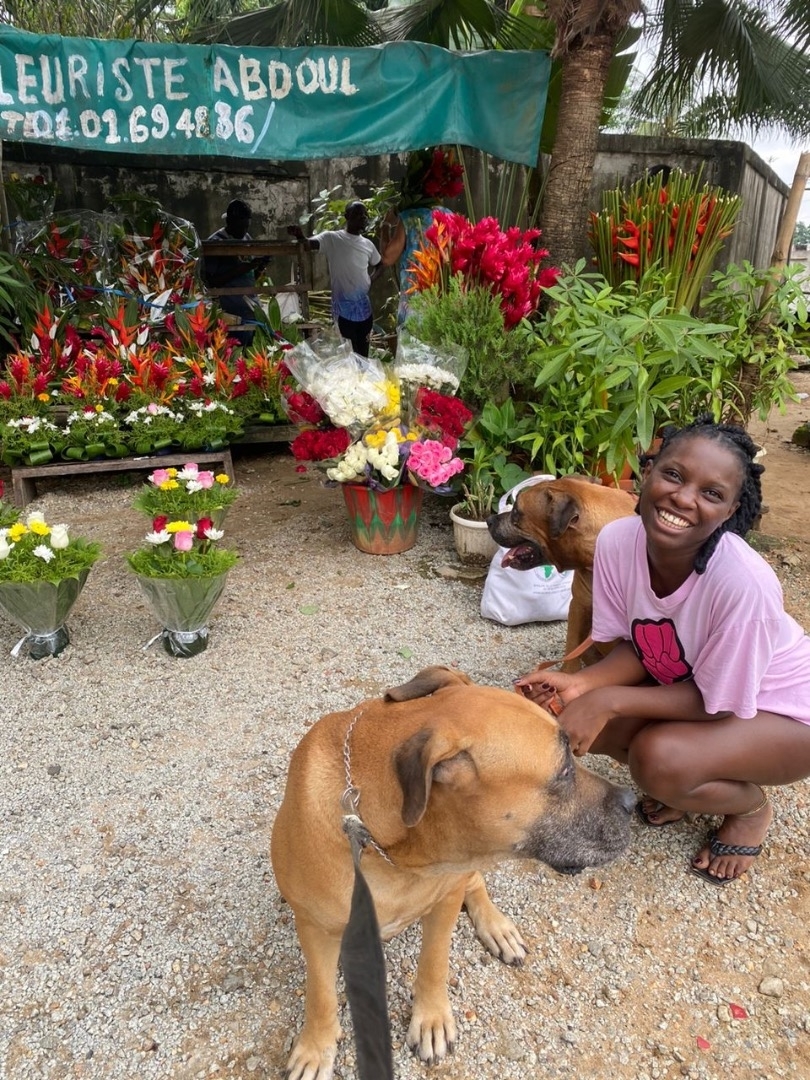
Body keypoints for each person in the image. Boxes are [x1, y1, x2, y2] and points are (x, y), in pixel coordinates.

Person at [514, 418, 810, 886]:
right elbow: (646, 646)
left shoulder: (742, 583)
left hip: (788, 716)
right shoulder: (617, 543)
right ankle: (689, 786)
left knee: (658, 759)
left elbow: (716, 705)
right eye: (673, 474)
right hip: (705, 691)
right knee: (575, 712)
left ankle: (749, 809)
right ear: (648, 472)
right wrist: (580, 683)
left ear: (732, 510)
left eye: (711, 493)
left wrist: (607, 700)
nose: (684, 498)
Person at [288, 201, 382, 356]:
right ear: (347, 216)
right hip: (343, 311)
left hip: (364, 310)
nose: (363, 217)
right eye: (358, 214)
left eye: (365, 214)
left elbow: (380, 265)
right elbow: (308, 244)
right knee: (350, 354)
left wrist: (370, 280)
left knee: (363, 354)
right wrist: (300, 235)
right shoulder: (332, 238)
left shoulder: (368, 244)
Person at [203, 199, 268, 346]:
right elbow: (209, 282)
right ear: (229, 222)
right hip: (230, 310)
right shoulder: (215, 243)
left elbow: (251, 277)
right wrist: (238, 270)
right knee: (235, 349)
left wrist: (259, 266)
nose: (244, 231)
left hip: (251, 307)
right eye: (241, 226)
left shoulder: (247, 238)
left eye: (247, 226)